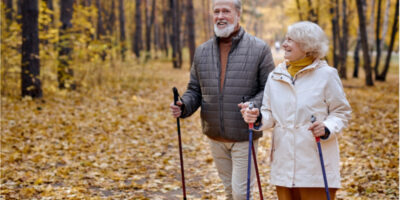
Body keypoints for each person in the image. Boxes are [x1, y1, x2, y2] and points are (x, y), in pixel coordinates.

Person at [170, 0, 275, 198]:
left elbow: (269, 89)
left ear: (238, 14)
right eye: (216, 12)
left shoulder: (259, 48)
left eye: (225, 11)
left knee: (240, 194)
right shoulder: (202, 51)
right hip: (215, 136)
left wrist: (253, 106)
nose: (220, 16)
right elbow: (195, 89)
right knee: (229, 190)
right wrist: (183, 106)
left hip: (245, 134)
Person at [241, 21, 352, 200]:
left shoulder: (327, 75)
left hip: (315, 166)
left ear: (307, 45)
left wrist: (327, 127)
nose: (284, 44)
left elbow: (341, 112)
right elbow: (269, 114)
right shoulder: (275, 76)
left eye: (290, 40)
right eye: (285, 39)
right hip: (284, 167)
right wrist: (258, 116)